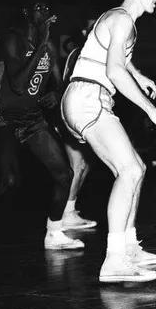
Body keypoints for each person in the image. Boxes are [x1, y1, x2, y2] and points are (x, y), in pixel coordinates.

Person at [61, 0, 156, 283]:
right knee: (130, 171)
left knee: (136, 167)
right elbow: (114, 71)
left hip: (86, 98)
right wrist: (151, 110)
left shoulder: (119, 19)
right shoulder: (123, 18)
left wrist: (137, 75)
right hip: (88, 97)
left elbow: (118, 57)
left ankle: (128, 247)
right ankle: (114, 261)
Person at [0, 0, 83, 250]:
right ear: (26, 13)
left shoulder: (47, 47)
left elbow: (60, 81)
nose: (45, 11)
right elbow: (17, 84)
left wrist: (57, 93)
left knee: (64, 174)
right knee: (9, 179)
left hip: (31, 117)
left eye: (48, 8)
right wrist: (41, 45)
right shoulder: (10, 40)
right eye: (39, 8)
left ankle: (54, 233)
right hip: (1, 114)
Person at [58, 18, 99, 230]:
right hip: (73, 113)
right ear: (85, 32)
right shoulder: (80, 54)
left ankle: (69, 210)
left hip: (84, 112)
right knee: (78, 165)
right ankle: (64, 215)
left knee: (86, 165)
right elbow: (68, 86)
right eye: (92, 27)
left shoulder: (95, 54)